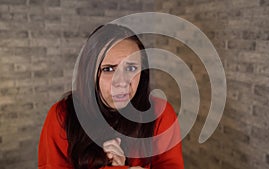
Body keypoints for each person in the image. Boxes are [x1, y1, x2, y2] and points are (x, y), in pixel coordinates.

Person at [38, 24, 184, 169]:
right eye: (108, 69)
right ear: (90, 73)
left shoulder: (161, 113)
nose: (121, 82)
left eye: (131, 68)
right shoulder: (62, 115)